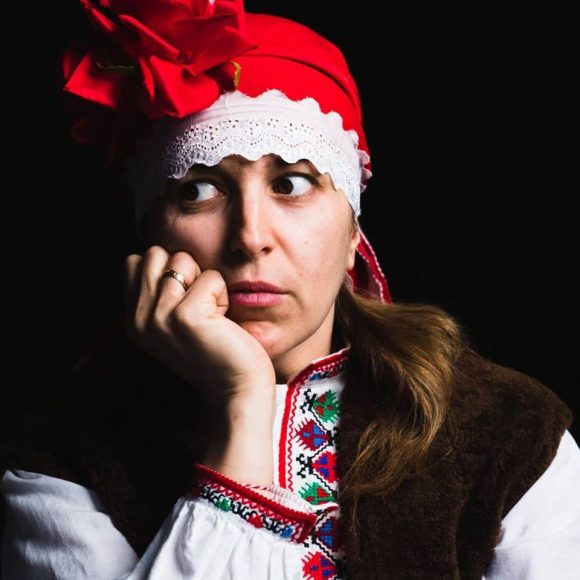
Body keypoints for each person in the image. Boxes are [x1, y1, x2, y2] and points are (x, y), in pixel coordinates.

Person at [1, 1, 578, 578]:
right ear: (149, 233)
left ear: (353, 233)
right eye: (198, 190)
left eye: (292, 183)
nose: (251, 238)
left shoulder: (513, 430)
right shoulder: (62, 458)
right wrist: (242, 401)